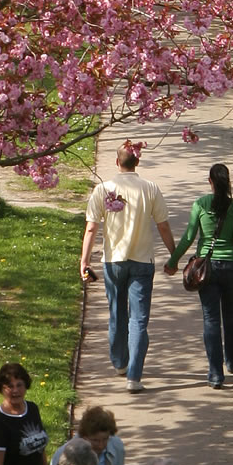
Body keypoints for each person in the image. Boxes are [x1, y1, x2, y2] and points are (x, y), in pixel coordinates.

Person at [80, 140, 177, 392]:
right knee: (139, 320)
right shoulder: (150, 188)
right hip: (143, 261)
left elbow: (91, 227)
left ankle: (120, 362)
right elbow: (163, 226)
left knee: (117, 313)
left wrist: (84, 260)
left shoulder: (103, 189)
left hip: (114, 261)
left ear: (116, 162)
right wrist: (174, 255)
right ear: (138, 161)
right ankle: (134, 376)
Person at [164, 162, 233, 388]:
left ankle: (215, 374)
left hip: (207, 270)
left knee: (211, 319)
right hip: (232, 267)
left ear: (210, 182)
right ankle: (232, 361)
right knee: (231, 314)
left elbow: (188, 237)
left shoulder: (200, 205)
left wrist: (173, 261)